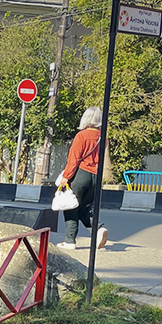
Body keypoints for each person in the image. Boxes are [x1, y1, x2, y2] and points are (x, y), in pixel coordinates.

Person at [56, 106, 109, 250]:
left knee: (71, 206)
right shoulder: (103, 137)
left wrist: (66, 177)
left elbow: (74, 159)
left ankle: (69, 241)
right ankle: (98, 229)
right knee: (84, 208)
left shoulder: (82, 136)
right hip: (96, 177)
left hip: (81, 174)